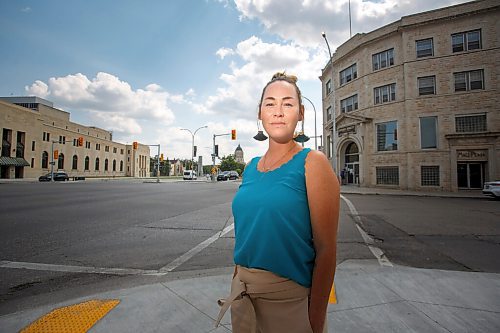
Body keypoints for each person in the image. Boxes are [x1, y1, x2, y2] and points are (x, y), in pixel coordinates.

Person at [216, 72, 340, 332]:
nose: (278, 111)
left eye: (288, 103)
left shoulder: (313, 163)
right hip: (243, 300)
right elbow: (246, 237)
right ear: (260, 113)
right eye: (270, 103)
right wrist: (237, 280)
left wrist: (314, 321)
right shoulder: (249, 168)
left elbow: (327, 250)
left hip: (289, 306)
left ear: (301, 113)